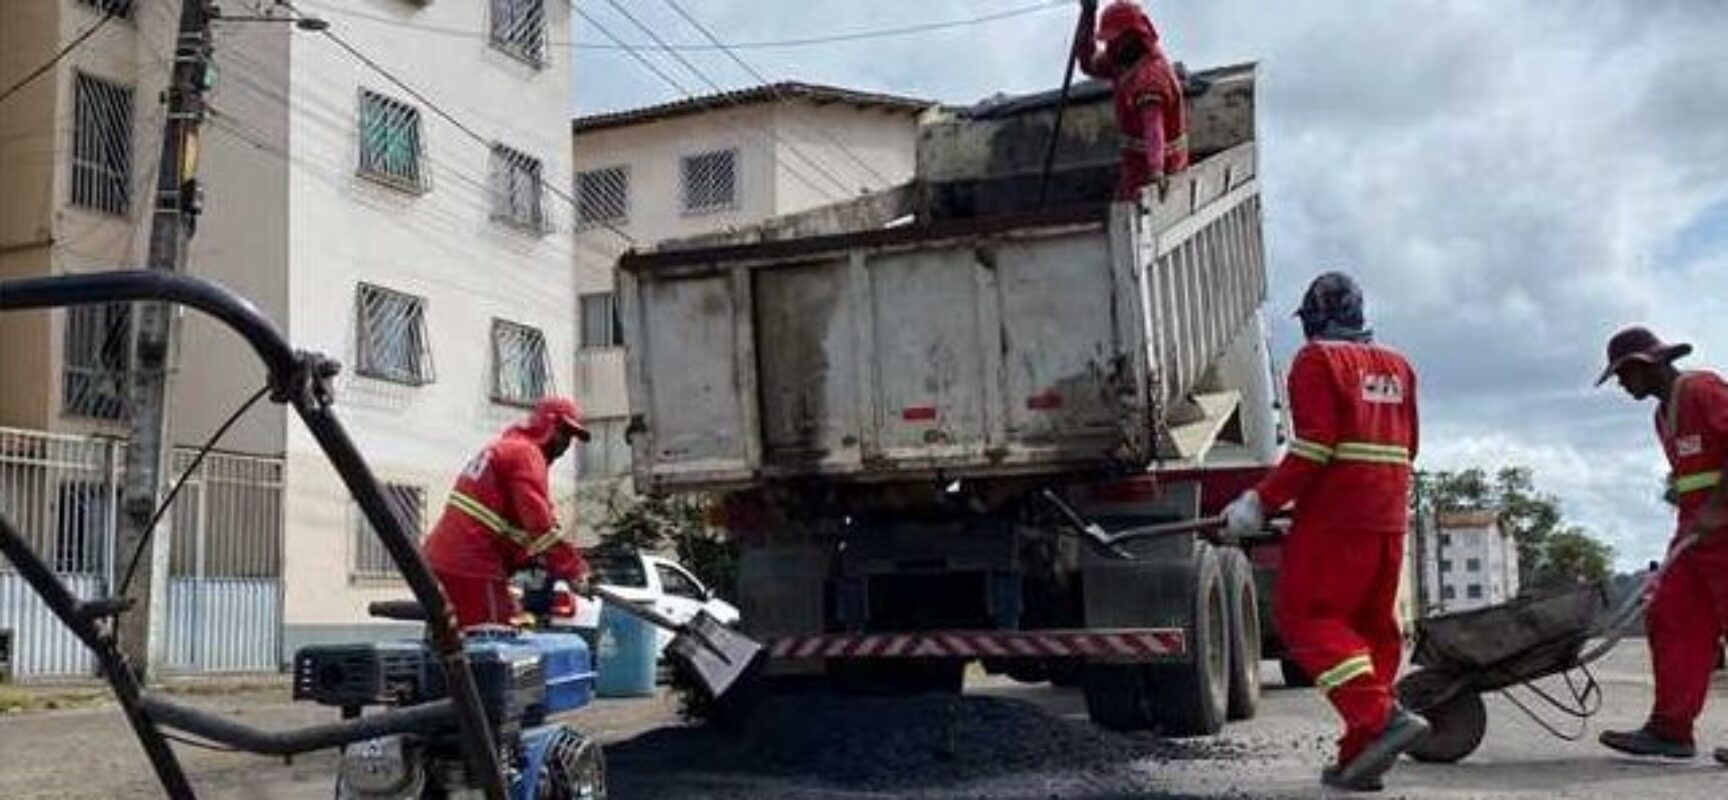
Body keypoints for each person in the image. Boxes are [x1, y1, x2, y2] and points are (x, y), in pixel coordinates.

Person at [1223, 272, 1428, 790]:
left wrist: (1259, 502)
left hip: (1336, 523)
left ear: (1314, 318)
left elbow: (1315, 446)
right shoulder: (1399, 367)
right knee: (1369, 632)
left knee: (1307, 618)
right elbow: (1409, 447)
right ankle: (1363, 756)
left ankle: (1381, 719)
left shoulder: (1317, 362)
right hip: (1387, 520)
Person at [1593, 327, 1728, 767]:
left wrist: (1716, 507)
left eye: (1622, 375)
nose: (1620, 384)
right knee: (1671, 613)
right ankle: (1670, 730)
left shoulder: (1702, 389)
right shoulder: (1660, 417)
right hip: (1696, 531)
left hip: (1721, 524)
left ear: (1643, 366)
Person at [423, 396, 593, 628]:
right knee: (493, 639)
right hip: (473, 564)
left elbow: (526, 520)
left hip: (446, 558)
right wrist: (574, 569)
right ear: (548, 425)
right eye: (564, 434)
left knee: (453, 642)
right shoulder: (526, 455)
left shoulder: (507, 449)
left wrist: (542, 560)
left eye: (571, 438)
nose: (565, 445)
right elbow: (540, 526)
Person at [1072, 0, 1190, 200]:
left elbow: (1153, 127)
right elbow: (1088, 64)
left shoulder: (1151, 75)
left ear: (1131, 37)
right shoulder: (1123, 61)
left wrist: (1156, 171)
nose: (1110, 46)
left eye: (1114, 40)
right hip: (1135, 169)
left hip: (1164, 171)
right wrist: (1087, 15)